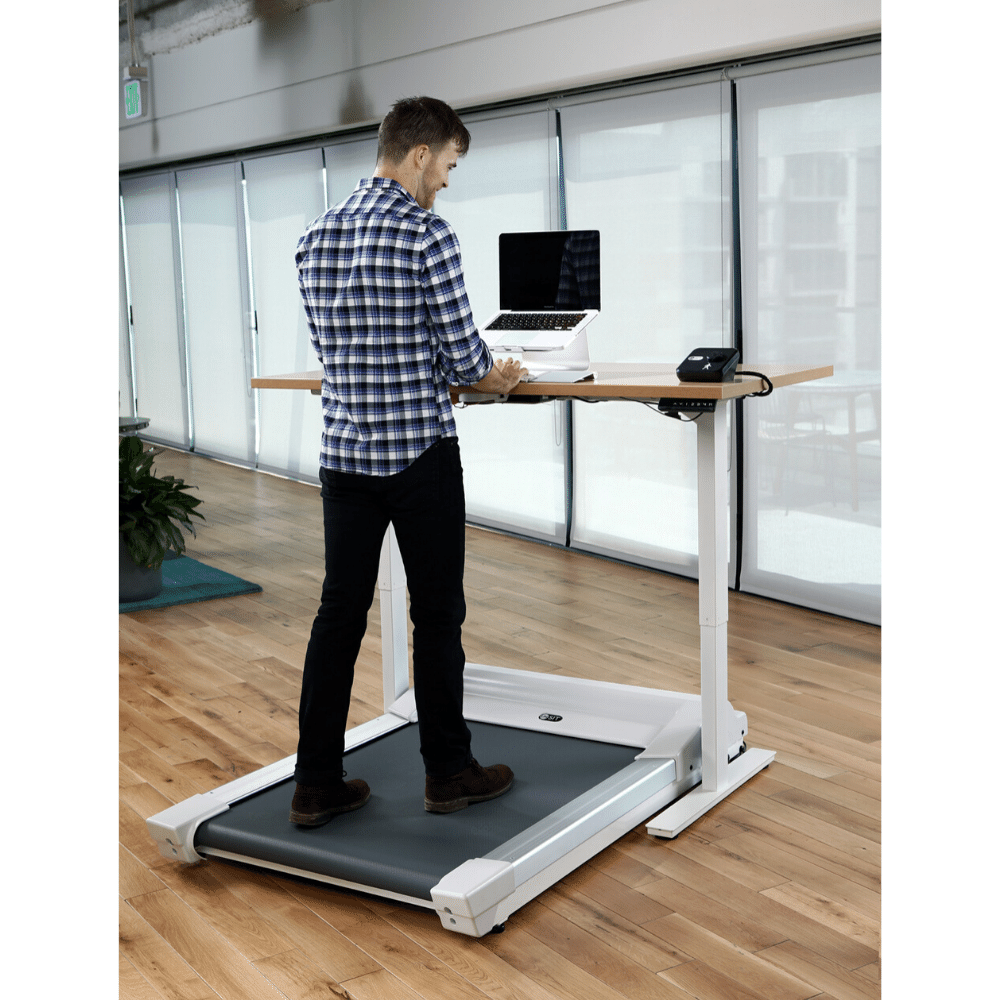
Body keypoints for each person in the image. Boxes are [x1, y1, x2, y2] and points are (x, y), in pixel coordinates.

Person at [288, 96, 526, 827]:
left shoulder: (314, 237)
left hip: (345, 457)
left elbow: (341, 352)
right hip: (419, 456)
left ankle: (316, 783)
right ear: (419, 155)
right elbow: (465, 359)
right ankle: (449, 772)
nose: (447, 182)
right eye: (449, 165)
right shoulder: (428, 236)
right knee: (437, 616)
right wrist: (504, 372)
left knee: (338, 616)